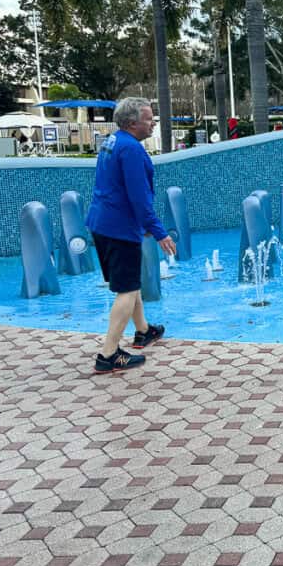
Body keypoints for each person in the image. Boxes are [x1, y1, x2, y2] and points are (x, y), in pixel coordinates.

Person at [86, 97, 176, 374]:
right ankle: (108, 354)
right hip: (119, 227)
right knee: (126, 290)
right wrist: (159, 232)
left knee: (131, 283)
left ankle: (143, 331)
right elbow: (139, 198)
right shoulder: (132, 150)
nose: (153, 123)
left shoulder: (113, 142)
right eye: (149, 119)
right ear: (133, 122)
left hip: (103, 222)